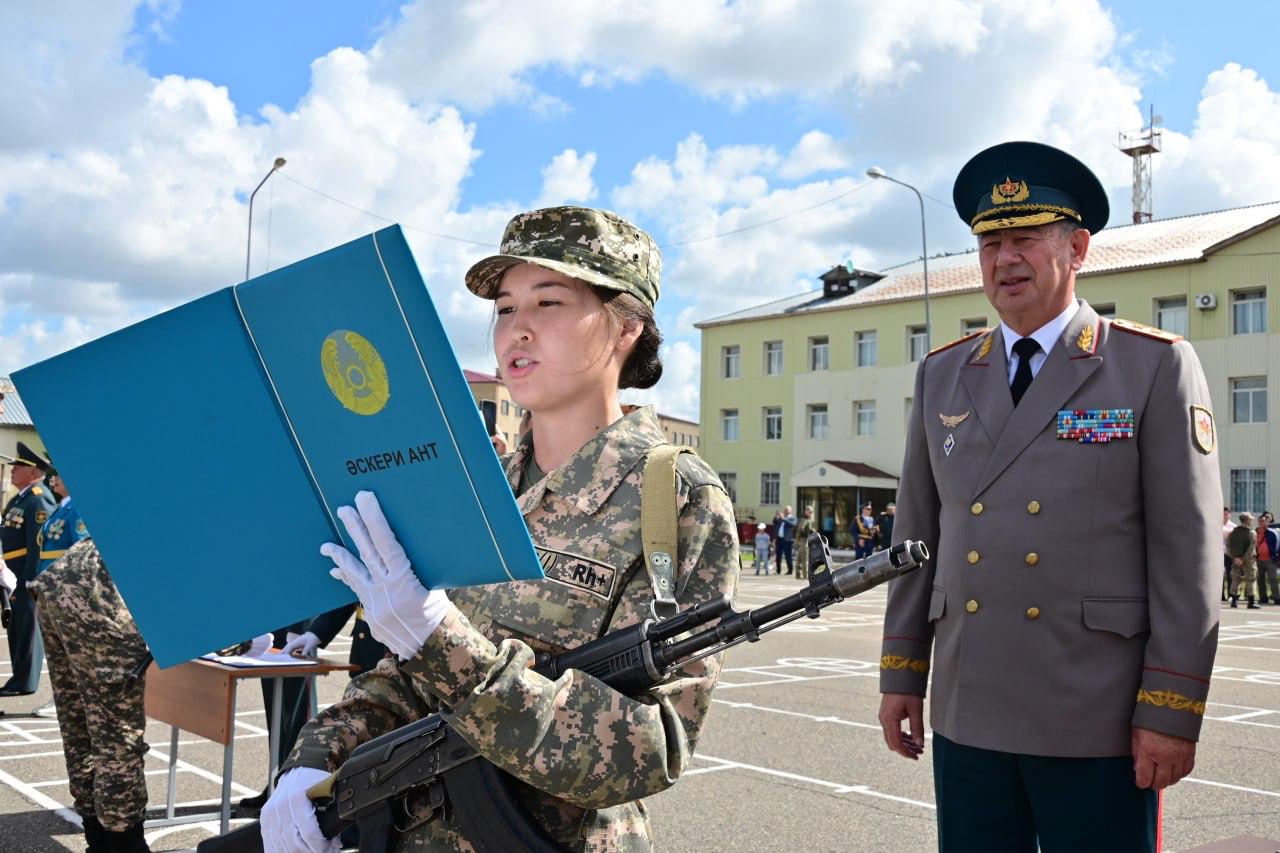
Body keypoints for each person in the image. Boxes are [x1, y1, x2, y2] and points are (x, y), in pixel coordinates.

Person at [261, 206, 740, 852]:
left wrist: (444, 644)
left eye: (548, 302)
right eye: (506, 308)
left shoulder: (675, 500)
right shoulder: (476, 490)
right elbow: (405, 679)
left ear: (627, 326)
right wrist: (316, 757)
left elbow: (650, 747)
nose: (518, 330)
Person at [878, 141, 1222, 852]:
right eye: (990, 242)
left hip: (1095, 713)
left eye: (1025, 239)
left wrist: (1172, 707)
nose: (1005, 260)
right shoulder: (943, 376)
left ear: (1078, 248)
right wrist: (902, 671)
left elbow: (1187, 556)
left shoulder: (1150, 366)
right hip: (970, 706)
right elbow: (918, 536)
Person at [29, 539, 151, 852]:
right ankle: (125, 844)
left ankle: (98, 839)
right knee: (116, 734)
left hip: (60, 583)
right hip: (99, 593)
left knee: (79, 723)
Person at [31, 467, 90, 719]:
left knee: (69, 648)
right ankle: (62, 698)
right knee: (56, 650)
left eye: (61, 474)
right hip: (49, 585)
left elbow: (80, 550)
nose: (54, 478)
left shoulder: (77, 508)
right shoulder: (62, 506)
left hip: (66, 588)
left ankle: (69, 700)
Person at [0, 441, 57, 699]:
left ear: (34, 473)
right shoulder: (21, 498)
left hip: (25, 574)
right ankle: (19, 677)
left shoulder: (38, 499)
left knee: (28, 629)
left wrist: (32, 580)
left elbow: (38, 543)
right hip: (13, 573)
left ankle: (26, 682)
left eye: (19, 467)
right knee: (16, 629)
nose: (13, 471)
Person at [1226, 512, 1260, 609]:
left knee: (1236, 579)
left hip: (1236, 559)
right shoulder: (1252, 532)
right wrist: (1243, 559)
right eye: (1250, 519)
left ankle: (1234, 602)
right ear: (1248, 520)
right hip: (1249, 560)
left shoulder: (1233, 532)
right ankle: (1251, 602)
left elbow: (1228, 546)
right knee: (1251, 579)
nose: (1252, 521)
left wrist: (1235, 557)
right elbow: (1251, 548)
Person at [1255, 511, 1279, 605]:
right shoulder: (1255, 532)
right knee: (1260, 580)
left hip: (1270, 560)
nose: (1262, 523)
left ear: (1267, 522)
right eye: (1260, 521)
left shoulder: (1273, 533)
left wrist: (1276, 557)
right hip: (1258, 560)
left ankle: (1277, 598)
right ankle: (1263, 598)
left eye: (1263, 521)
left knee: (1273, 580)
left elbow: (1278, 546)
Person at [794, 506, 815, 580]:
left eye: (811, 512)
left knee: (799, 558)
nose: (811, 513)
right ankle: (805, 575)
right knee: (804, 558)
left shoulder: (804, 518)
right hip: (803, 540)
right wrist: (798, 538)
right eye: (810, 512)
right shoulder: (805, 519)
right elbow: (800, 528)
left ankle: (798, 574)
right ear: (806, 512)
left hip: (801, 540)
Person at [775, 504, 796, 575]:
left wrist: (783, 518)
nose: (785, 511)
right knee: (778, 556)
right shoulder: (782, 518)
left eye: (786, 510)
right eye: (784, 510)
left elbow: (792, 524)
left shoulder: (793, 518)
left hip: (787, 540)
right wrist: (777, 516)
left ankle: (790, 571)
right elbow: (774, 522)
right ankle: (778, 570)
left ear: (790, 511)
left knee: (788, 556)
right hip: (779, 539)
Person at [1222, 507, 1234, 602]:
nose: (1225, 516)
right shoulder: (1217, 524)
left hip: (1229, 554)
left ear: (1230, 515)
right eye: (1224, 514)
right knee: (1220, 575)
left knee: (1230, 574)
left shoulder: (1233, 526)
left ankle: (1230, 595)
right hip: (1219, 554)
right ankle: (1221, 595)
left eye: (1227, 514)